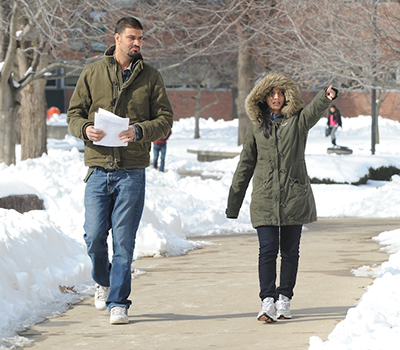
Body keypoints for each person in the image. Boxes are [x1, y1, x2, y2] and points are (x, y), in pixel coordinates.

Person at [67, 17, 173, 325]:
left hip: (132, 172)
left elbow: (165, 119)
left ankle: (119, 302)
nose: (137, 43)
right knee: (94, 236)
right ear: (116, 38)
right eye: (131, 38)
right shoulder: (92, 72)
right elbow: (74, 114)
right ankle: (103, 281)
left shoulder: (152, 77)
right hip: (98, 169)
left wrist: (140, 131)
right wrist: (85, 128)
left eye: (140, 38)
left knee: (124, 242)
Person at [225, 73, 337, 323]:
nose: (276, 97)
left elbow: (312, 112)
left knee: (289, 251)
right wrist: (234, 201)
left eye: (280, 93)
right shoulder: (256, 126)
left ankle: (284, 298)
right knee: (267, 250)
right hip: (265, 197)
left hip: (293, 197)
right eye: (271, 93)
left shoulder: (297, 121)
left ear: (287, 95)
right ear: (263, 96)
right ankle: (267, 300)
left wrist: (325, 96)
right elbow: (246, 163)